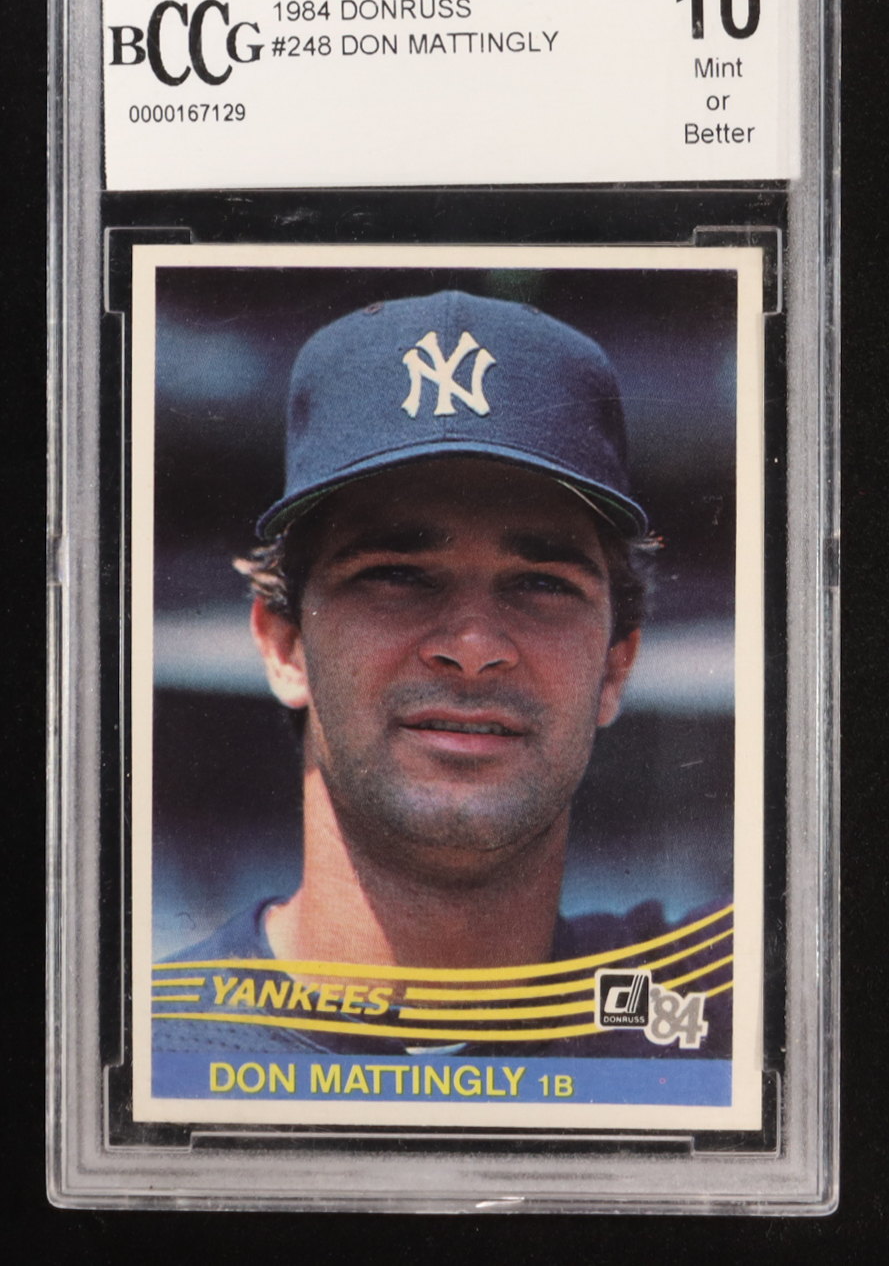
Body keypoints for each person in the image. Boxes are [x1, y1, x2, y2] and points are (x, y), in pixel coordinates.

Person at [154, 291, 732, 1061]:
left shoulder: (739, 1024)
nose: (472, 645)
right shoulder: (141, 1060)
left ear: (614, 664)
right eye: (396, 574)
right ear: (285, 646)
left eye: (541, 583)